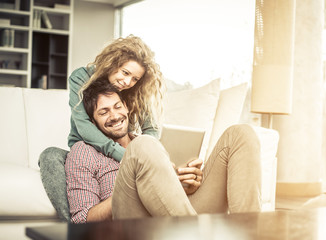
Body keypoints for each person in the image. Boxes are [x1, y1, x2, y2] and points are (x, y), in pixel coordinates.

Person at [65, 80, 262, 223]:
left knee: (240, 133)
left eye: (117, 107)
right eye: (104, 112)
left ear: (126, 108)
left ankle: (249, 234)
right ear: (93, 122)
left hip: (176, 216)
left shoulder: (153, 142)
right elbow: (82, 220)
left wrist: (188, 184)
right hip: (135, 223)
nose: (114, 116)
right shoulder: (84, 152)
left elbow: (170, 196)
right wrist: (137, 183)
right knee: (143, 145)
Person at [38, 35, 165, 221]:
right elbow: (84, 126)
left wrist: (147, 153)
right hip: (88, 148)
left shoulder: (132, 91)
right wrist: (126, 156)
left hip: (123, 149)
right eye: (125, 72)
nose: (127, 82)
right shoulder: (81, 77)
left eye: (135, 79)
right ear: (112, 62)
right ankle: (75, 227)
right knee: (50, 155)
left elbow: (152, 128)